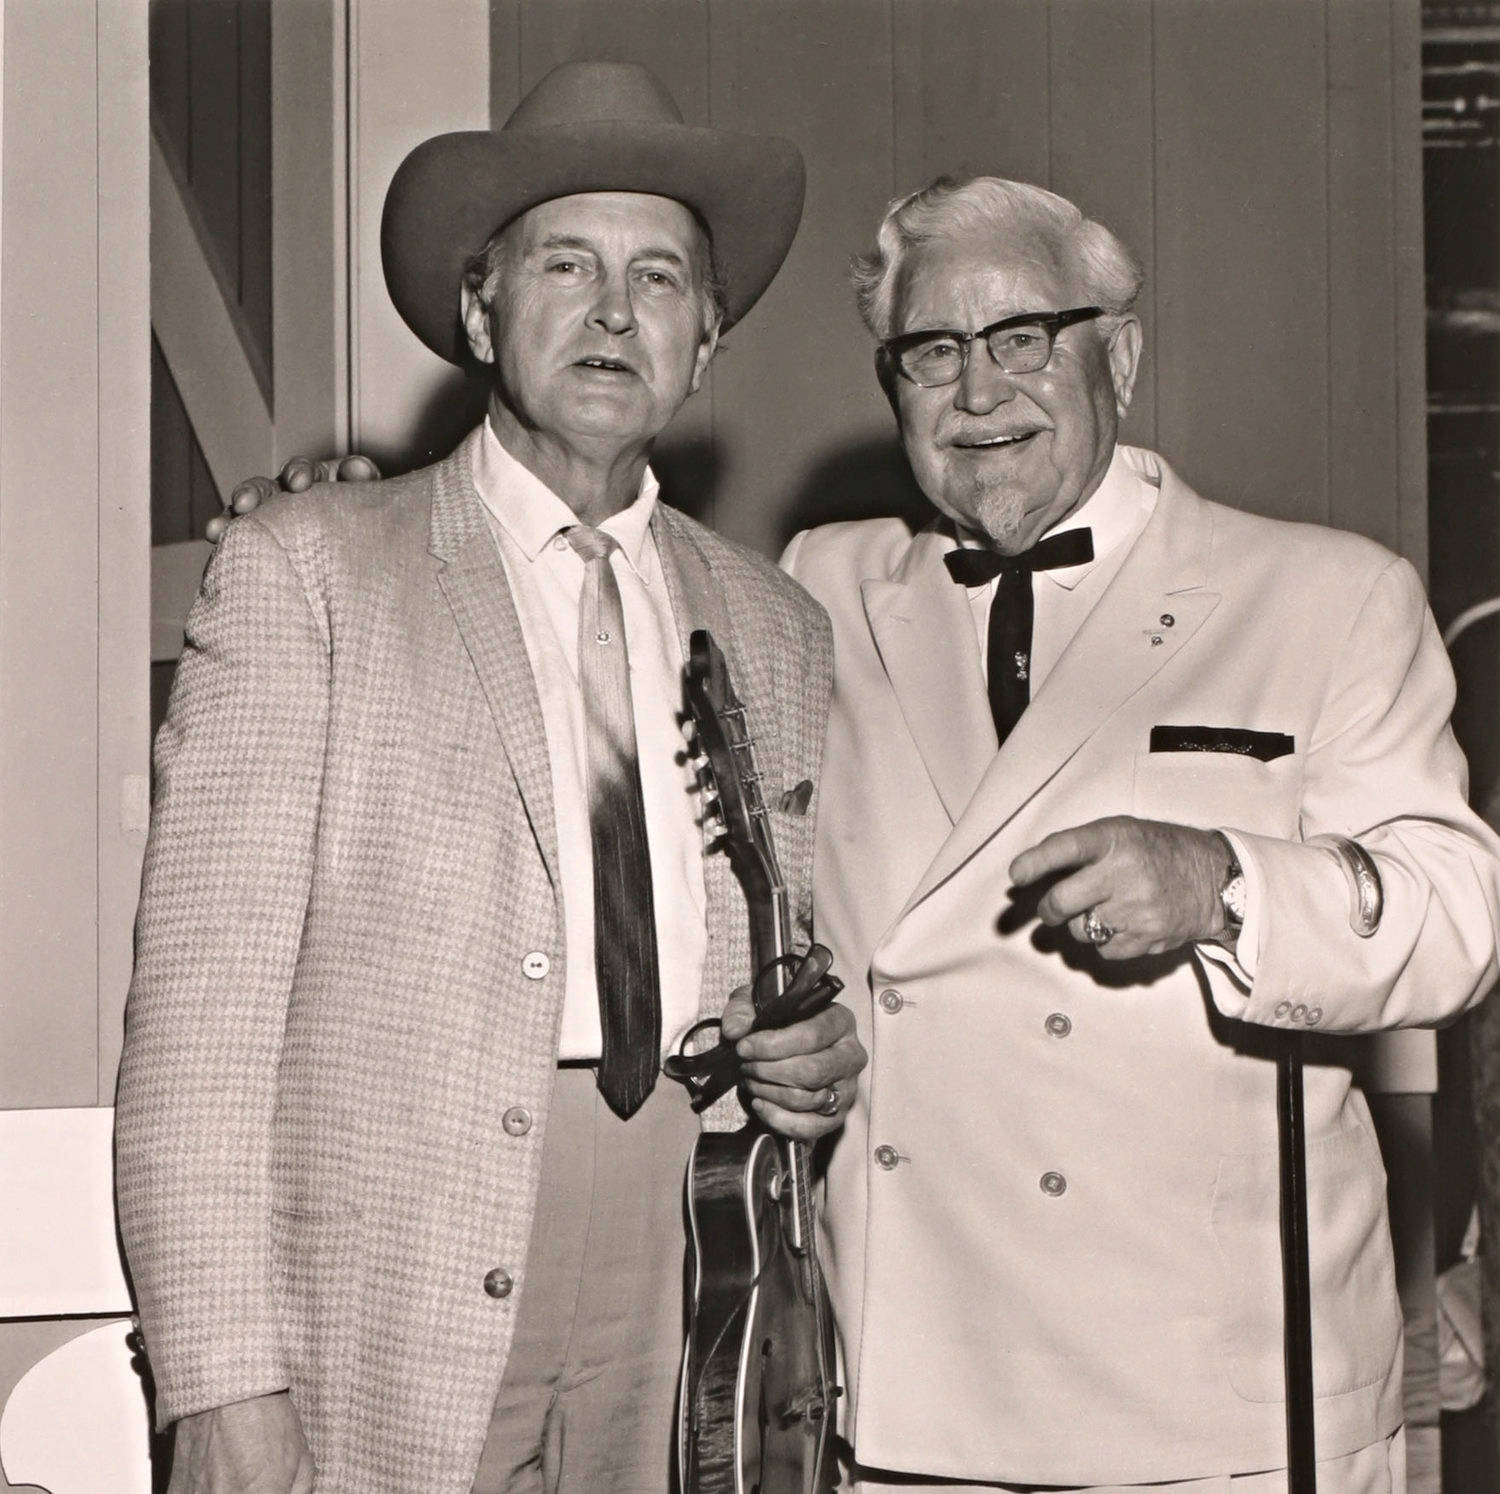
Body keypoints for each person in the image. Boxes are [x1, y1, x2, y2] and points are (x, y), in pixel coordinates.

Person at [114, 61, 864, 1494]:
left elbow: (781, 959)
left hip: (692, 1266)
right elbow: (198, 1032)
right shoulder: (310, 572)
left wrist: (812, 1060)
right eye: (565, 264)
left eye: (659, 278)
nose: (610, 310)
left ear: (705, 340)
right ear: (480, 308)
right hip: (390, 1286)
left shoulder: (777, 626)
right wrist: (217, 1381)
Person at [780, 175, 1500, 1493]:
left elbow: (1460, 911)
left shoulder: (1323, 596)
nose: (977, 392)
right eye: (932, 351)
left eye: (1021, 338)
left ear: (1119, 353)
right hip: (917, 1403)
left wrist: (1227, 883)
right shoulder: (814, 587)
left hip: (1216, 1406)